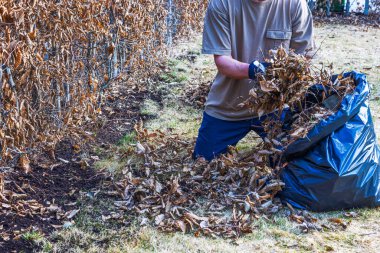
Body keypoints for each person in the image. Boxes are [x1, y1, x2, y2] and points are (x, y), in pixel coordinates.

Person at [194, 0, 315, 161]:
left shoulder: (294, 4)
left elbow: (304, 58)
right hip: (228, 106)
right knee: (202, 165)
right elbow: (223, 62)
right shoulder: (222, 4)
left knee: (299, 163)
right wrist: (257, 70)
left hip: (276, 107)